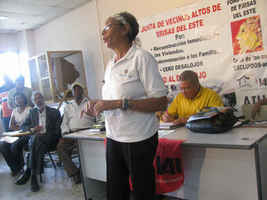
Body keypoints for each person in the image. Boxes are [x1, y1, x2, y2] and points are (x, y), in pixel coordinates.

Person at [83, 12, 168, 200]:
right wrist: (97, 104)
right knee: (115, 191)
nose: (102, 34)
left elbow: (161, 102)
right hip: (114, 137)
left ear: (125, 29)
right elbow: (112, 98)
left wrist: (120, 103)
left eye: (107, 28)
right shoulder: (110, 64)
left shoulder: (141, 58)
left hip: (139, 138)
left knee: (142, 192)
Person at [14, 91, 62, 192]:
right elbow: (23, 126)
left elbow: (57, 131)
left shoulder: (54, 112)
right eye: (35, 99)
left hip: (50, 140)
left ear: (43, 99)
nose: (38, 100)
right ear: (33, 101)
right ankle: (33, 177)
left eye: (40, 97)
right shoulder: (32, 112)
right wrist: (32, 129)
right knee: (36, 142)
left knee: (35, 141)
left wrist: (45, 135)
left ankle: (30, 173)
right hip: (38, 143)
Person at [57, 82, 95, 184]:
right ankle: (75, 173)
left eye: (79, 90)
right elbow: (64, 123)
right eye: (75, 90)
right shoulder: (68, 106)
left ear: (82, 91)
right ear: (72, 92)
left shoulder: (89, 103)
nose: (77, 92)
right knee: (60, 147)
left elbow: (99, 118)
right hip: (72, 133)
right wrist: (65, 133)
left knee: (86, 150)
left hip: (87, 132)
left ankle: (84, 172)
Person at [0, 93, 31, 176]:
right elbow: (11, 125)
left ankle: (21, 167)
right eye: (16, 99)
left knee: (14, 145)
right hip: (17, 133)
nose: (18, 100)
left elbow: (30, 125)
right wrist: (20, 128)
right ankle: (14, 168)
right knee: (2, 145)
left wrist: (20, 127)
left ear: (24, 99)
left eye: (20, 98)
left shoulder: (29, 109)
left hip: (27, 134)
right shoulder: (14, 110)